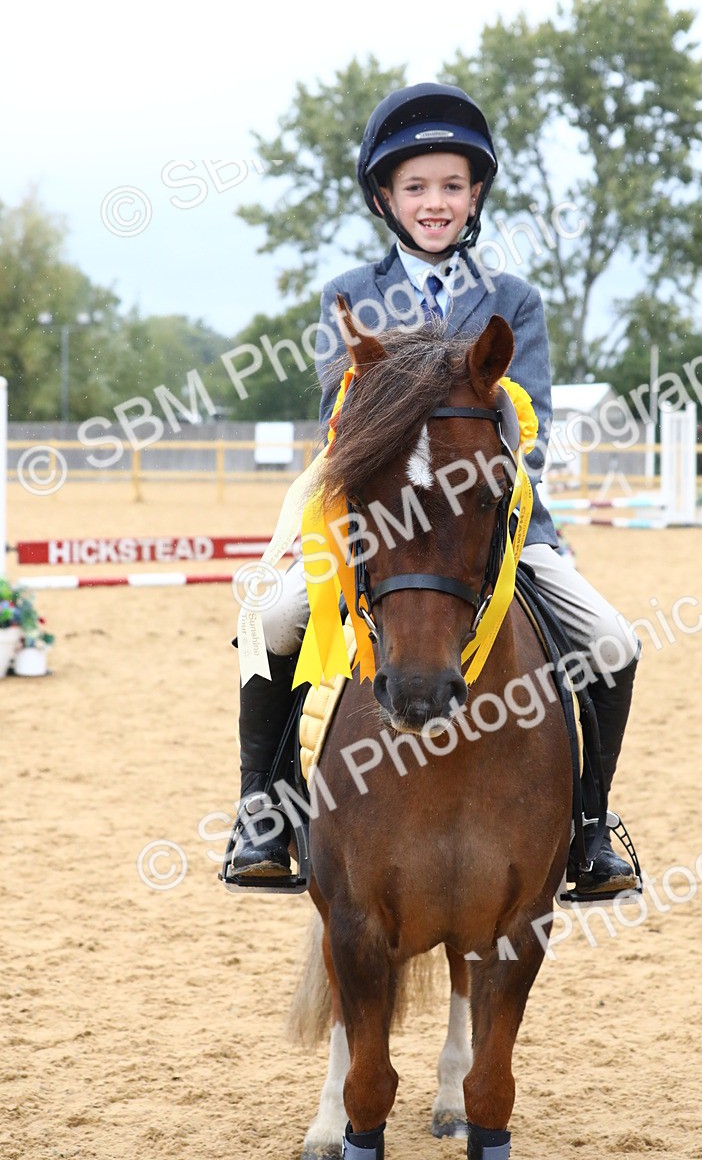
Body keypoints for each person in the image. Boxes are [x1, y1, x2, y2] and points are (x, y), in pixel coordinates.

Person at [230, 84, 640, 894]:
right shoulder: (349, 294)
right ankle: (261, 815)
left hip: (492, 523)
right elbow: (343, 428)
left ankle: (590, 829)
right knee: (271, 618)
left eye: (452, 185)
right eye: (416, 187)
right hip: (376, 524)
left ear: (476, 195)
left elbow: (528, 430)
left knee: (612, 640)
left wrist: (471, 497)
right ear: (386, 198)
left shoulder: (514, 302)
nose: (435, 202)